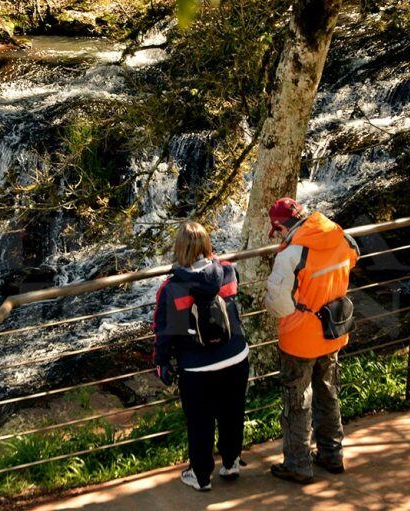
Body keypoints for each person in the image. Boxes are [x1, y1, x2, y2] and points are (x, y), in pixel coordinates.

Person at [264, 198, 360, 484]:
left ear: (281, 225)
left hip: (300, 339)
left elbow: (279, 305)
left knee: (297, 402)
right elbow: (354, 257)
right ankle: (332, 454)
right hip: (333, 330)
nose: (279, 236)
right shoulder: (340, 236)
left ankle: (298, 464)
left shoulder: (291, 255)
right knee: (328, 393)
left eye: (277, 231)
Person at [152, 221, 250, 491]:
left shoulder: (172, 288)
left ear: (179, 249)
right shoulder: (228, 271)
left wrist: (161, 363)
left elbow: (165, 334)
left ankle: (201, 475)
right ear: (207, 245)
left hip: (197, 366)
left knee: (200, 421)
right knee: (232, 412)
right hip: (235, 356)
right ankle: (231, 462)